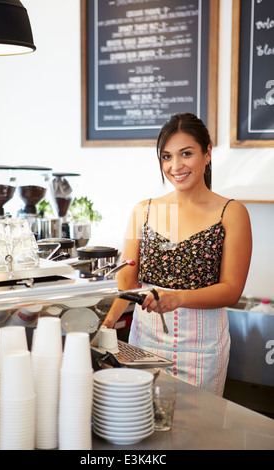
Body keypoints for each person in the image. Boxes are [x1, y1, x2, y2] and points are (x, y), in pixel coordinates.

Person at [103, 113, 252, 396]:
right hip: (143, 346)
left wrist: (179, 298)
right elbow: (127, 282)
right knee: (140, 424)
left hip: (203, 351)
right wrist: (108, 323)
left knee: (197, 434)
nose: (175, 166)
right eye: (167, 157)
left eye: (186, 154)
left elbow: (232, 290)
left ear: (207, 153)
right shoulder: (142, 211)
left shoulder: (232, 213)